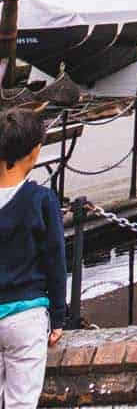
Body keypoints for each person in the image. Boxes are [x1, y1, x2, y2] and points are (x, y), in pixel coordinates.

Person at [0, 106, 66, 407]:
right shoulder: (41, 200)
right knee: (22, 401)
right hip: (26, 315)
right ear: (34, 152)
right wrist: (59, 317)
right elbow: (55, 260)